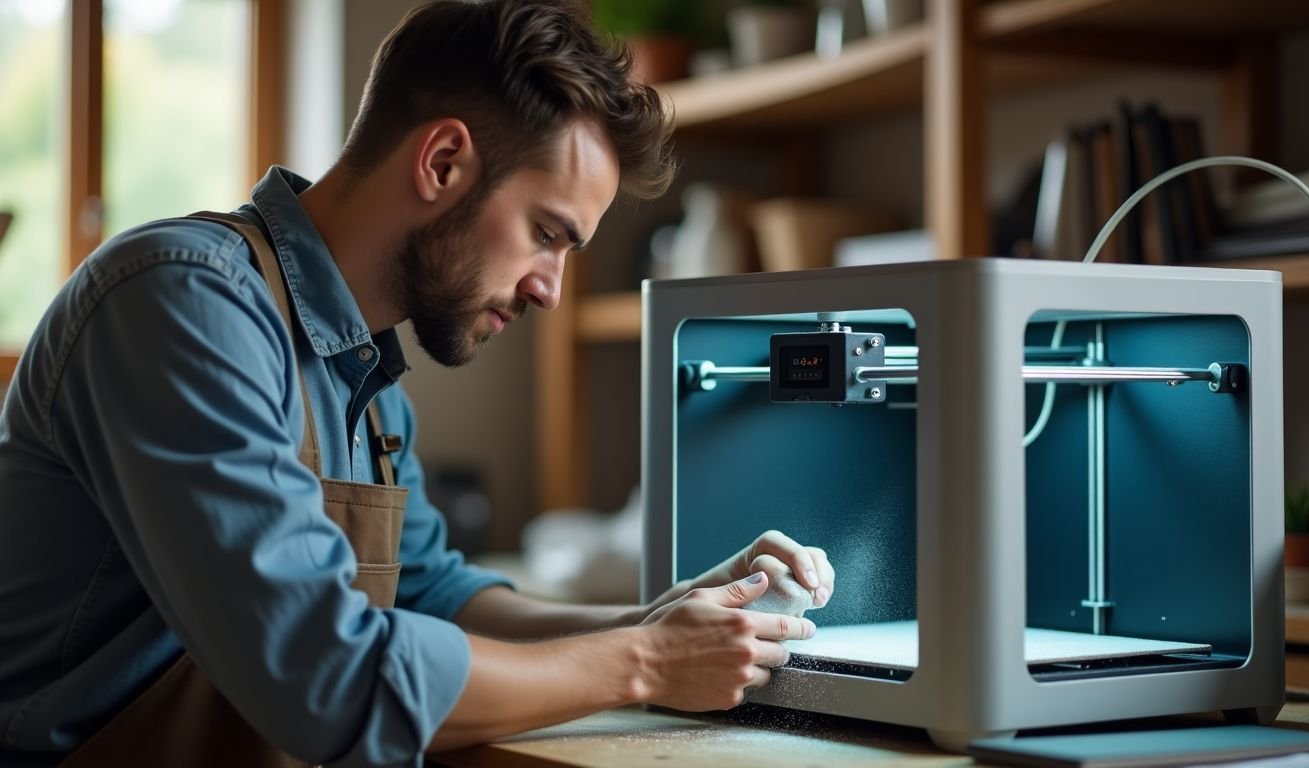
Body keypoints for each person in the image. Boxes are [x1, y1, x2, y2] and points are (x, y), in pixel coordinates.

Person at [0, 1, 837, 765]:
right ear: (442, 161)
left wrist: (663, 618)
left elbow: (435, 595)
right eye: (546, 233)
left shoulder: (365, 375)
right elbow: (323, 676)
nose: (549, 286)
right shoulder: (181, 302)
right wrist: (648, 663)